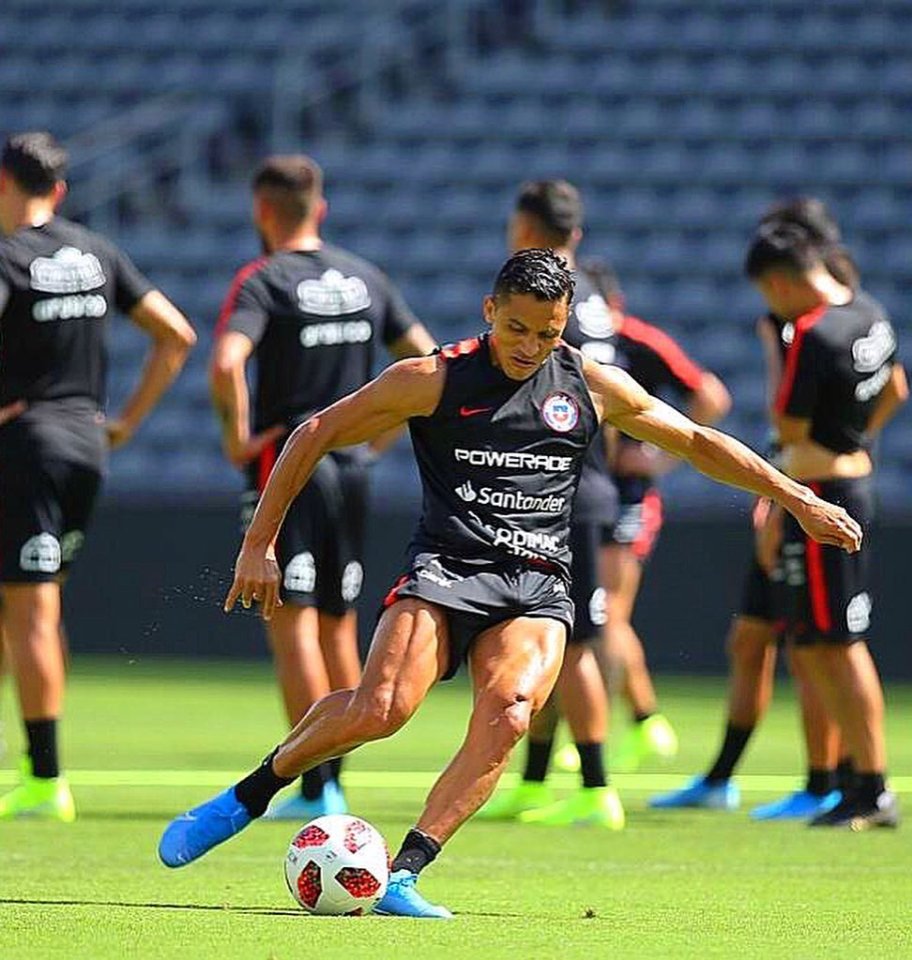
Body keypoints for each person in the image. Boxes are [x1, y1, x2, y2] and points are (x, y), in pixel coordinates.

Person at [159, 248, 862, 915]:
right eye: (517, 326)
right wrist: (260, 542)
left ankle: (404, 874)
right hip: (444, 570)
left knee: (512, 713)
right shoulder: (431, 377)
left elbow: (700, 442)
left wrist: (798, 498)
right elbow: (312, 432)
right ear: (490, 309)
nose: (529, 345)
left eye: (547, 332)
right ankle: (249, 795)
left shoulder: (588, 383)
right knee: (381, 710)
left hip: (535, 582)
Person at [210, 155, 435, 820]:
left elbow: (227, 362)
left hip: (291, 463)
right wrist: (379, 435)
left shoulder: (263, 279)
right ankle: (332, 779)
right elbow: (424, 358)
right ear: (321, 208)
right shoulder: (367, 277)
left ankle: (312, 786)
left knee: (292, 625)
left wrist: (238, 438)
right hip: (353, 469)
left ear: (262, 211)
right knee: (340, 627)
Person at [0, 131, 197, 821]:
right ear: (58, 190)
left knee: (30, 609)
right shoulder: (97, 253)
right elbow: (176, 335)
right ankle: (36, 767)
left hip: (24, 445)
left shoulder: (6, 258)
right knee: (34, 603)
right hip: (88, 442)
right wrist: (125, 422)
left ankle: (45, 778)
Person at [650, 200, 862, 819]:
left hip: (806, 489)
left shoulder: (814, 326)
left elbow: (784, 415)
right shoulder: (834, 315)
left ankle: (827, 779)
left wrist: (789, 492)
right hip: (792, 481)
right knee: (750, 639)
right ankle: (724, 777)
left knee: (811, 642)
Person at [477, 181, 625, 830]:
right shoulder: (591, 296)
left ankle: (596, 786)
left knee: (581, 642)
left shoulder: (550, 304)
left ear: (529, 229)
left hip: (567, 489)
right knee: (541, 642)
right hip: (572, 483)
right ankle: (536, 780)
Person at [748, 224, 905, 827]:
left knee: (837, 642)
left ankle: (872, 787)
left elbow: (786, 429)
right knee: (812, 644)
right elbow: (897, 386)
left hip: (819, 494)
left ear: (781, 282)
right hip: (847, 481)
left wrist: (774, 347)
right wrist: (857, 440)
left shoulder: (812, 333)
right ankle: (853, 783)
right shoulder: (869, 312)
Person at [581, 257, 731, 773]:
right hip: (594, 491)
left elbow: (710, 396)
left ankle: (623, 724)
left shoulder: (636, 339)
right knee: (601, 617)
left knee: (606, 616)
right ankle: (642, 720)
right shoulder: (581, 345)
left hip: (627, 497)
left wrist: (659, 459)